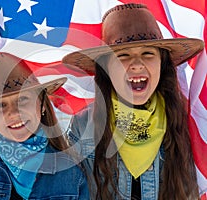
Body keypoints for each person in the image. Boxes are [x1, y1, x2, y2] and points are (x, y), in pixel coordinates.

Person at [62, 3, 204, 200]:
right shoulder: (82, 127)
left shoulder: (187, 125)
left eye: (148, 53)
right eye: (123, 56)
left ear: (162, 65)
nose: (137, 64)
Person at [0, 52, 89, 199]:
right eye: (1, 105)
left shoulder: (72, 173)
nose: (13, 113)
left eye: (23, 99)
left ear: (42, 104)